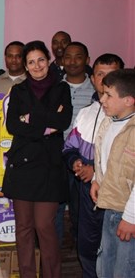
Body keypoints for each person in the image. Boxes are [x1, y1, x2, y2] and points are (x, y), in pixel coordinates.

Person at [2, 40, 72, 278]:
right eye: (31, 62)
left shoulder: (62, 89)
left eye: (41, 59)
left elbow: (62, 122)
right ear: (25, 65)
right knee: (23, 228)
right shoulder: (19, 90)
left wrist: (30, 119)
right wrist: (45, 124)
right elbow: (12, 125)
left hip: (50, 166)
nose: (37, 65)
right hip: (22, 166)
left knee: (44, 226)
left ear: (49, 60)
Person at [63, 54, 124, 278]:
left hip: (116, 193)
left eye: (112, 74)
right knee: (86, 243)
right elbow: (69, 146)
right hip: (85, 189)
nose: (105, 79)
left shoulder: (127, 117)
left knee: (114, 249)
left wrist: (96, 172)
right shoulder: (86, 113)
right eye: (100, 74)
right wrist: (76, 163)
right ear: (92, 78)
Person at [90, 69, 135, 278]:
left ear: (128, 100)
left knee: (124, 270)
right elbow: (103, 157)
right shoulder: (109, 122)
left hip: (128, 213)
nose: (102, 99)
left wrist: (130, 218)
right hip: (110, 207)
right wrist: (96, 180)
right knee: (104, 266)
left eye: (108, 95)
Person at [56, 41, 95, 247]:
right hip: (56, 158)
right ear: (62, 60)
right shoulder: (54, 87)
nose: (72, 61)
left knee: (82, 212)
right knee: (56, 211)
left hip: (84, 161)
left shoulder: (97, 91)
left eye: (78, 56)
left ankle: (83, 252)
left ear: (87, 60)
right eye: (68, 57)